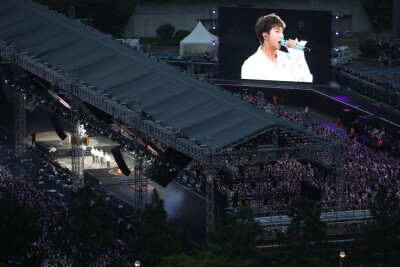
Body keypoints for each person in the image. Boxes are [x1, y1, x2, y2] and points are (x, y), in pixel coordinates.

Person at [241, 13, 313, 82]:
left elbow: (307, 82)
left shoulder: (289, 59)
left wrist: (298, 56)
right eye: (277, 31)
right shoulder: (250, 64)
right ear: (265, 36)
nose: (281, 36)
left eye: (282, 31)